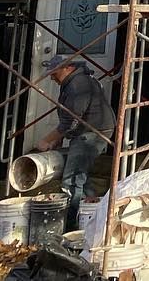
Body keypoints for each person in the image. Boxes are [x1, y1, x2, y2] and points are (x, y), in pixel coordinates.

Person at [35, 53, 115, 228]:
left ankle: (70, 224)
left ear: (68, 68)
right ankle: (91, 219)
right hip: (92, 130)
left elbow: (71, 119)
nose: (53, 78)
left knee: (71, 180)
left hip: (93, 132)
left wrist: (48, 140)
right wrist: (59, 138)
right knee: (81, 175)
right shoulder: (75, 81)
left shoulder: (78, 84)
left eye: (55, 74)